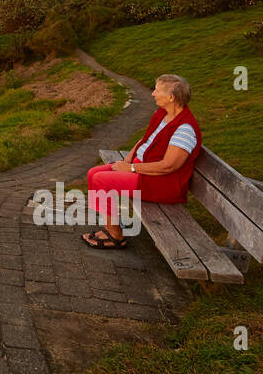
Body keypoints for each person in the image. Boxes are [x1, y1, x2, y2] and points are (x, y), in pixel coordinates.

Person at [81, 73, 202, 249]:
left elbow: (168, 166)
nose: (152, 93)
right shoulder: (163, 114)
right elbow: (144, 140)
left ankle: (115, 236)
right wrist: (128, 160)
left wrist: (130, 167)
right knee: (93, 173)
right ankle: (109, 226)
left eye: (157, 90)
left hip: (162, 183)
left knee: (101, 180)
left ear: (170, 97)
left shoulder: (185, 129)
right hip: (143, 170)